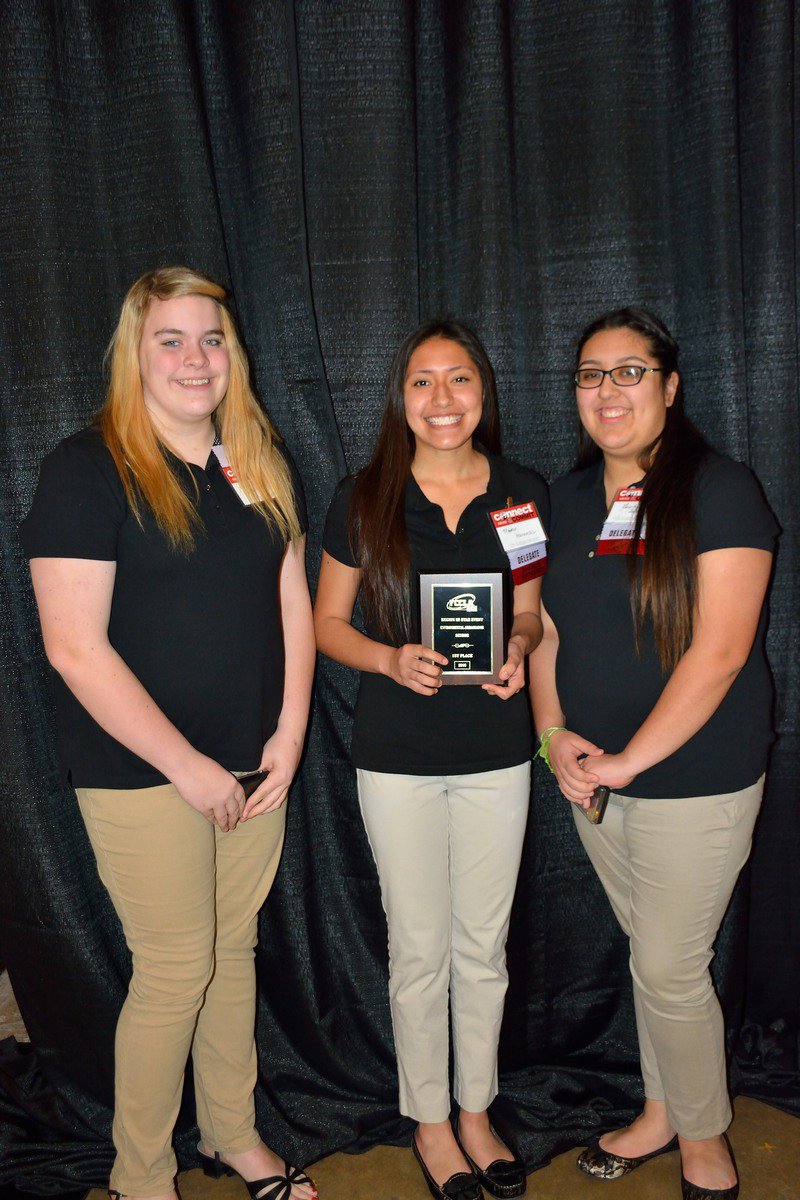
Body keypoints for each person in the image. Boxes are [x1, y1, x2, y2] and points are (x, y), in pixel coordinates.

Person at [21, 267, 317, 1200]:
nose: (196, 359)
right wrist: (188, 768)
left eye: (212, 339)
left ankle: (232, 1133)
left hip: (253, 761)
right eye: (171, 340)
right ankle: (140, 1177)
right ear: (133, 354)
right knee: (177, 967)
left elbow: (293, 603)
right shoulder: (85, 466)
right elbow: (74, 649)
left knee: (235, 952)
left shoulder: (257, 457)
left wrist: (292, 731)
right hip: (142, 771)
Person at [529, 308, 777, 1200]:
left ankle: (703, 1138)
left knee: (670, 965)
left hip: (695, 775)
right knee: (654, 955)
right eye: (591, 375)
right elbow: (540, 633)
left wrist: (630, 761)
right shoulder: (553, 502)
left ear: (670, 388)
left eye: (630, 372)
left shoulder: (722, 489)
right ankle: (664, 1109)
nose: (608, 391)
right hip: (593, 777)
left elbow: (721, 650)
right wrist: (554, 740)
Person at [314, 320, 548, 1200]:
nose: (442, 398)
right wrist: (387, 657)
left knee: (482, 949)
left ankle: (479, 1112)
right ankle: (430, 1122)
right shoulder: (361, 495)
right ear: (400, 397)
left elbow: (529, 612)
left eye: (459, 380)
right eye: (422, 381)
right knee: (418, 950)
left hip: (495, 750)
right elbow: (324, 624)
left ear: (483, 393)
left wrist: (519, 648)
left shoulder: (521, 494)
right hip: (397, 757)